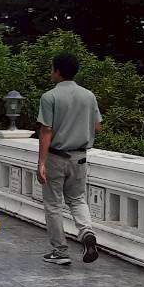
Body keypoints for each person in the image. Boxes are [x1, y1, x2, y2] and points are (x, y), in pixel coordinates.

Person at [35, 53, 102, 266]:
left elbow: (46, 130)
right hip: (80, 156)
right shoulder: (89, 96)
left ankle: (60, 251)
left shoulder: (49, 97)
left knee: (54, 204)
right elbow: (98, 126)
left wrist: (41, 163)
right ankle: (87, 233)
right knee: (77, 199)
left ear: (57, 71)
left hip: (56, 156)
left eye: (51, 68)